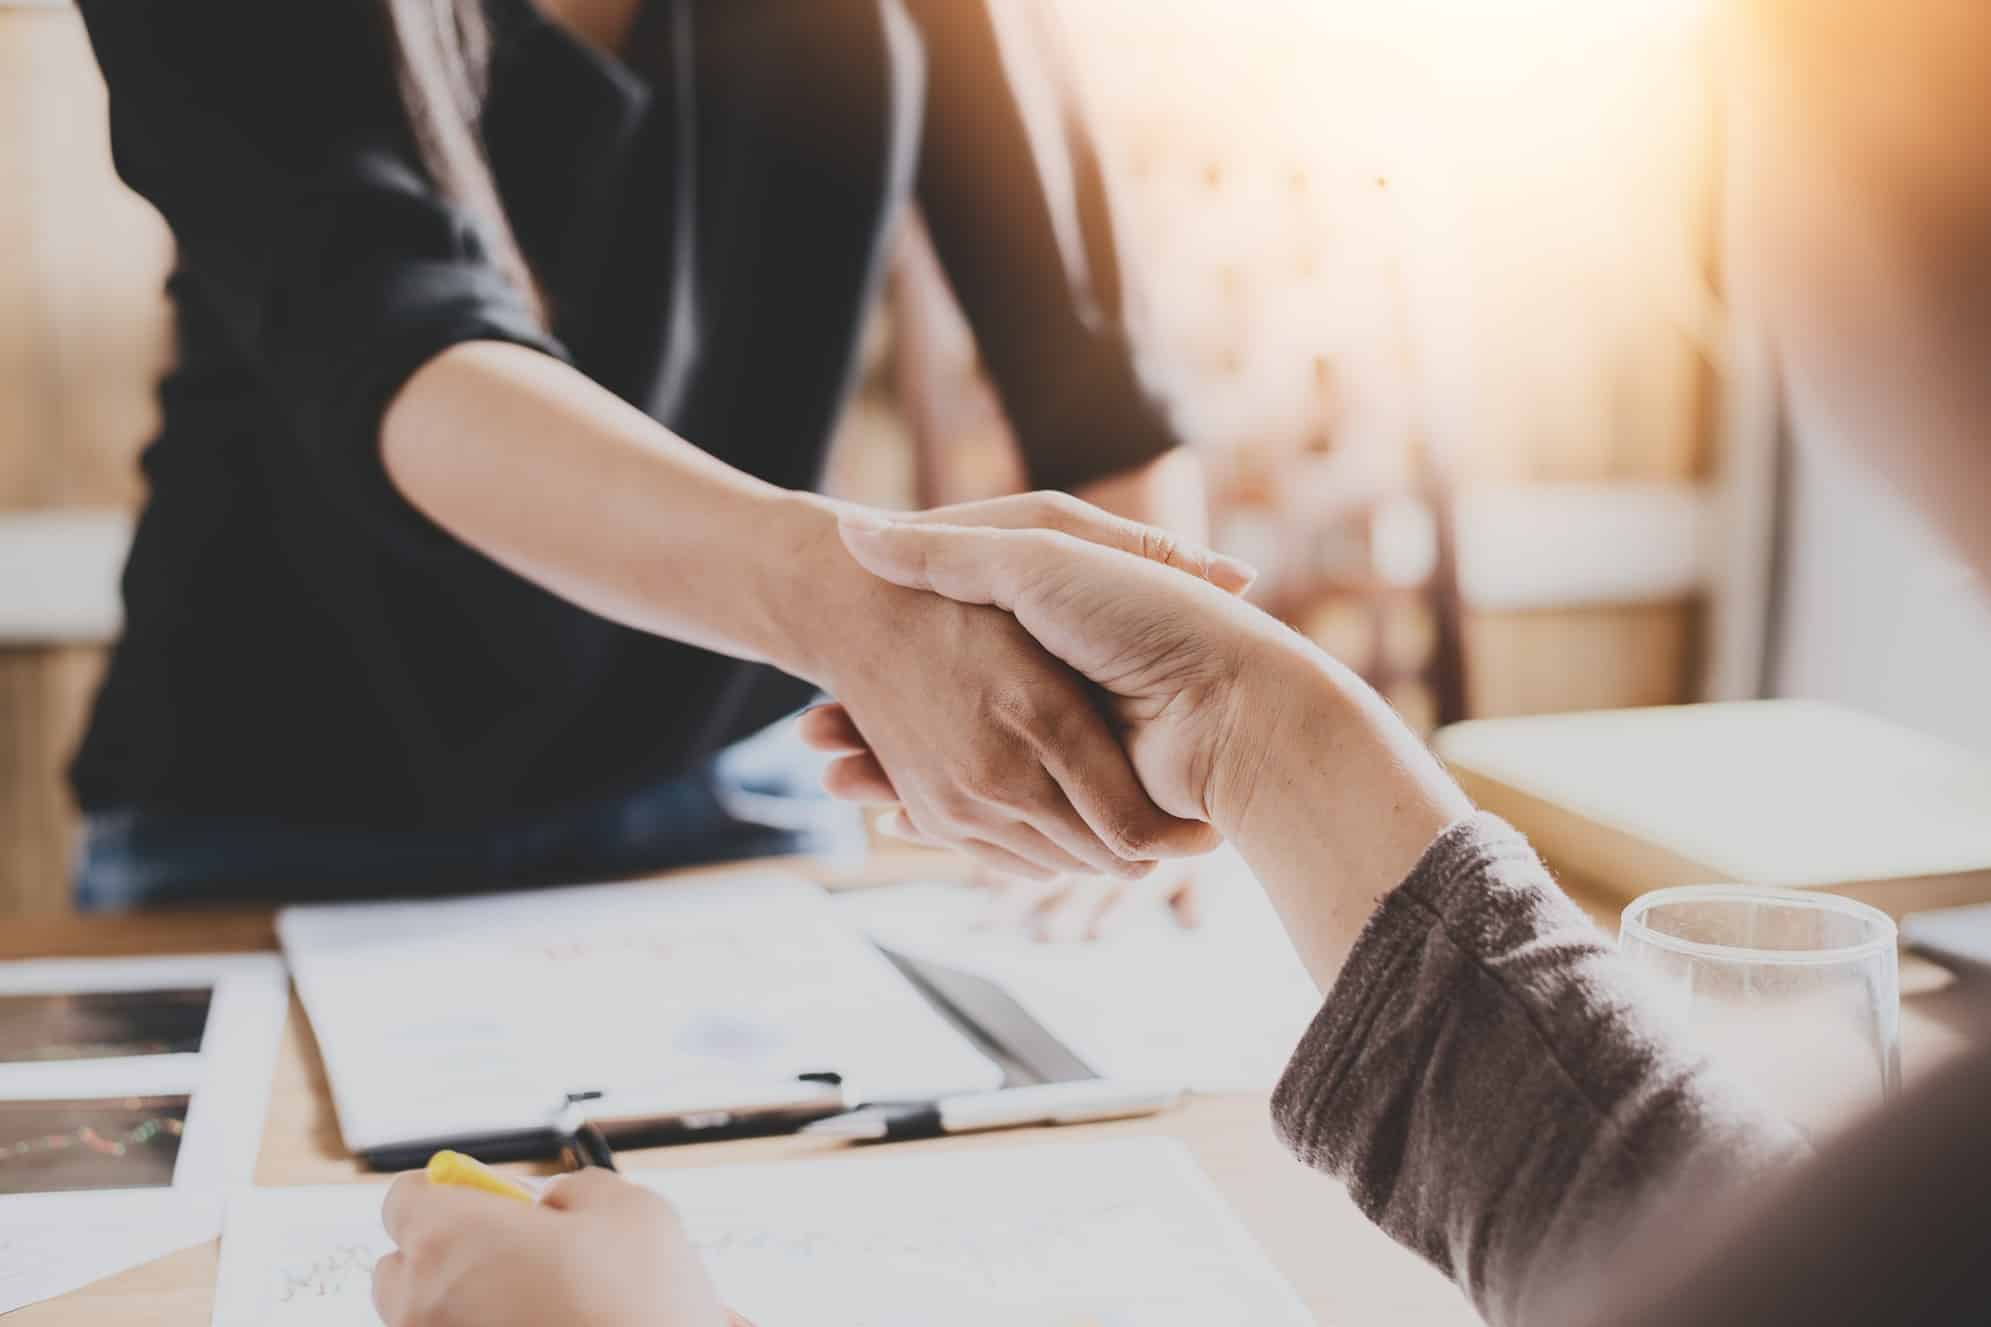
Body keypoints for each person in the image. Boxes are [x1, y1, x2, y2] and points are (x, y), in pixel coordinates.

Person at [369, 0, 1991, 1320]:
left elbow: (1087, 350)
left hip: (741, 774)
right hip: (318, 778)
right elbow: (384, 322)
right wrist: (1236, 716)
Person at [68, 0, 1236, 915]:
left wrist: (1145, 740)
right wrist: (837, 600)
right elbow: (398, 344)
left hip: (732, 785)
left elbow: (1089, 380)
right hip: (269, 815)